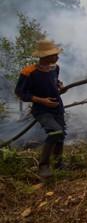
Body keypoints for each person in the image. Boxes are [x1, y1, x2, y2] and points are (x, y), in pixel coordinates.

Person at [15, 38, 65, 179]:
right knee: (55, 132)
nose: (57, 56)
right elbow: (20, 93)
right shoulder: (28, 72)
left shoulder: (55, 68)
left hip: (58, 107)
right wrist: (42, 100)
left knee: (61, 135)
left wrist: (60, 87)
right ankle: (43, 166)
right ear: (45, 56)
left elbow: (54, 83)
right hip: (41, 110)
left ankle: (58, 163)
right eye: (54, 54)